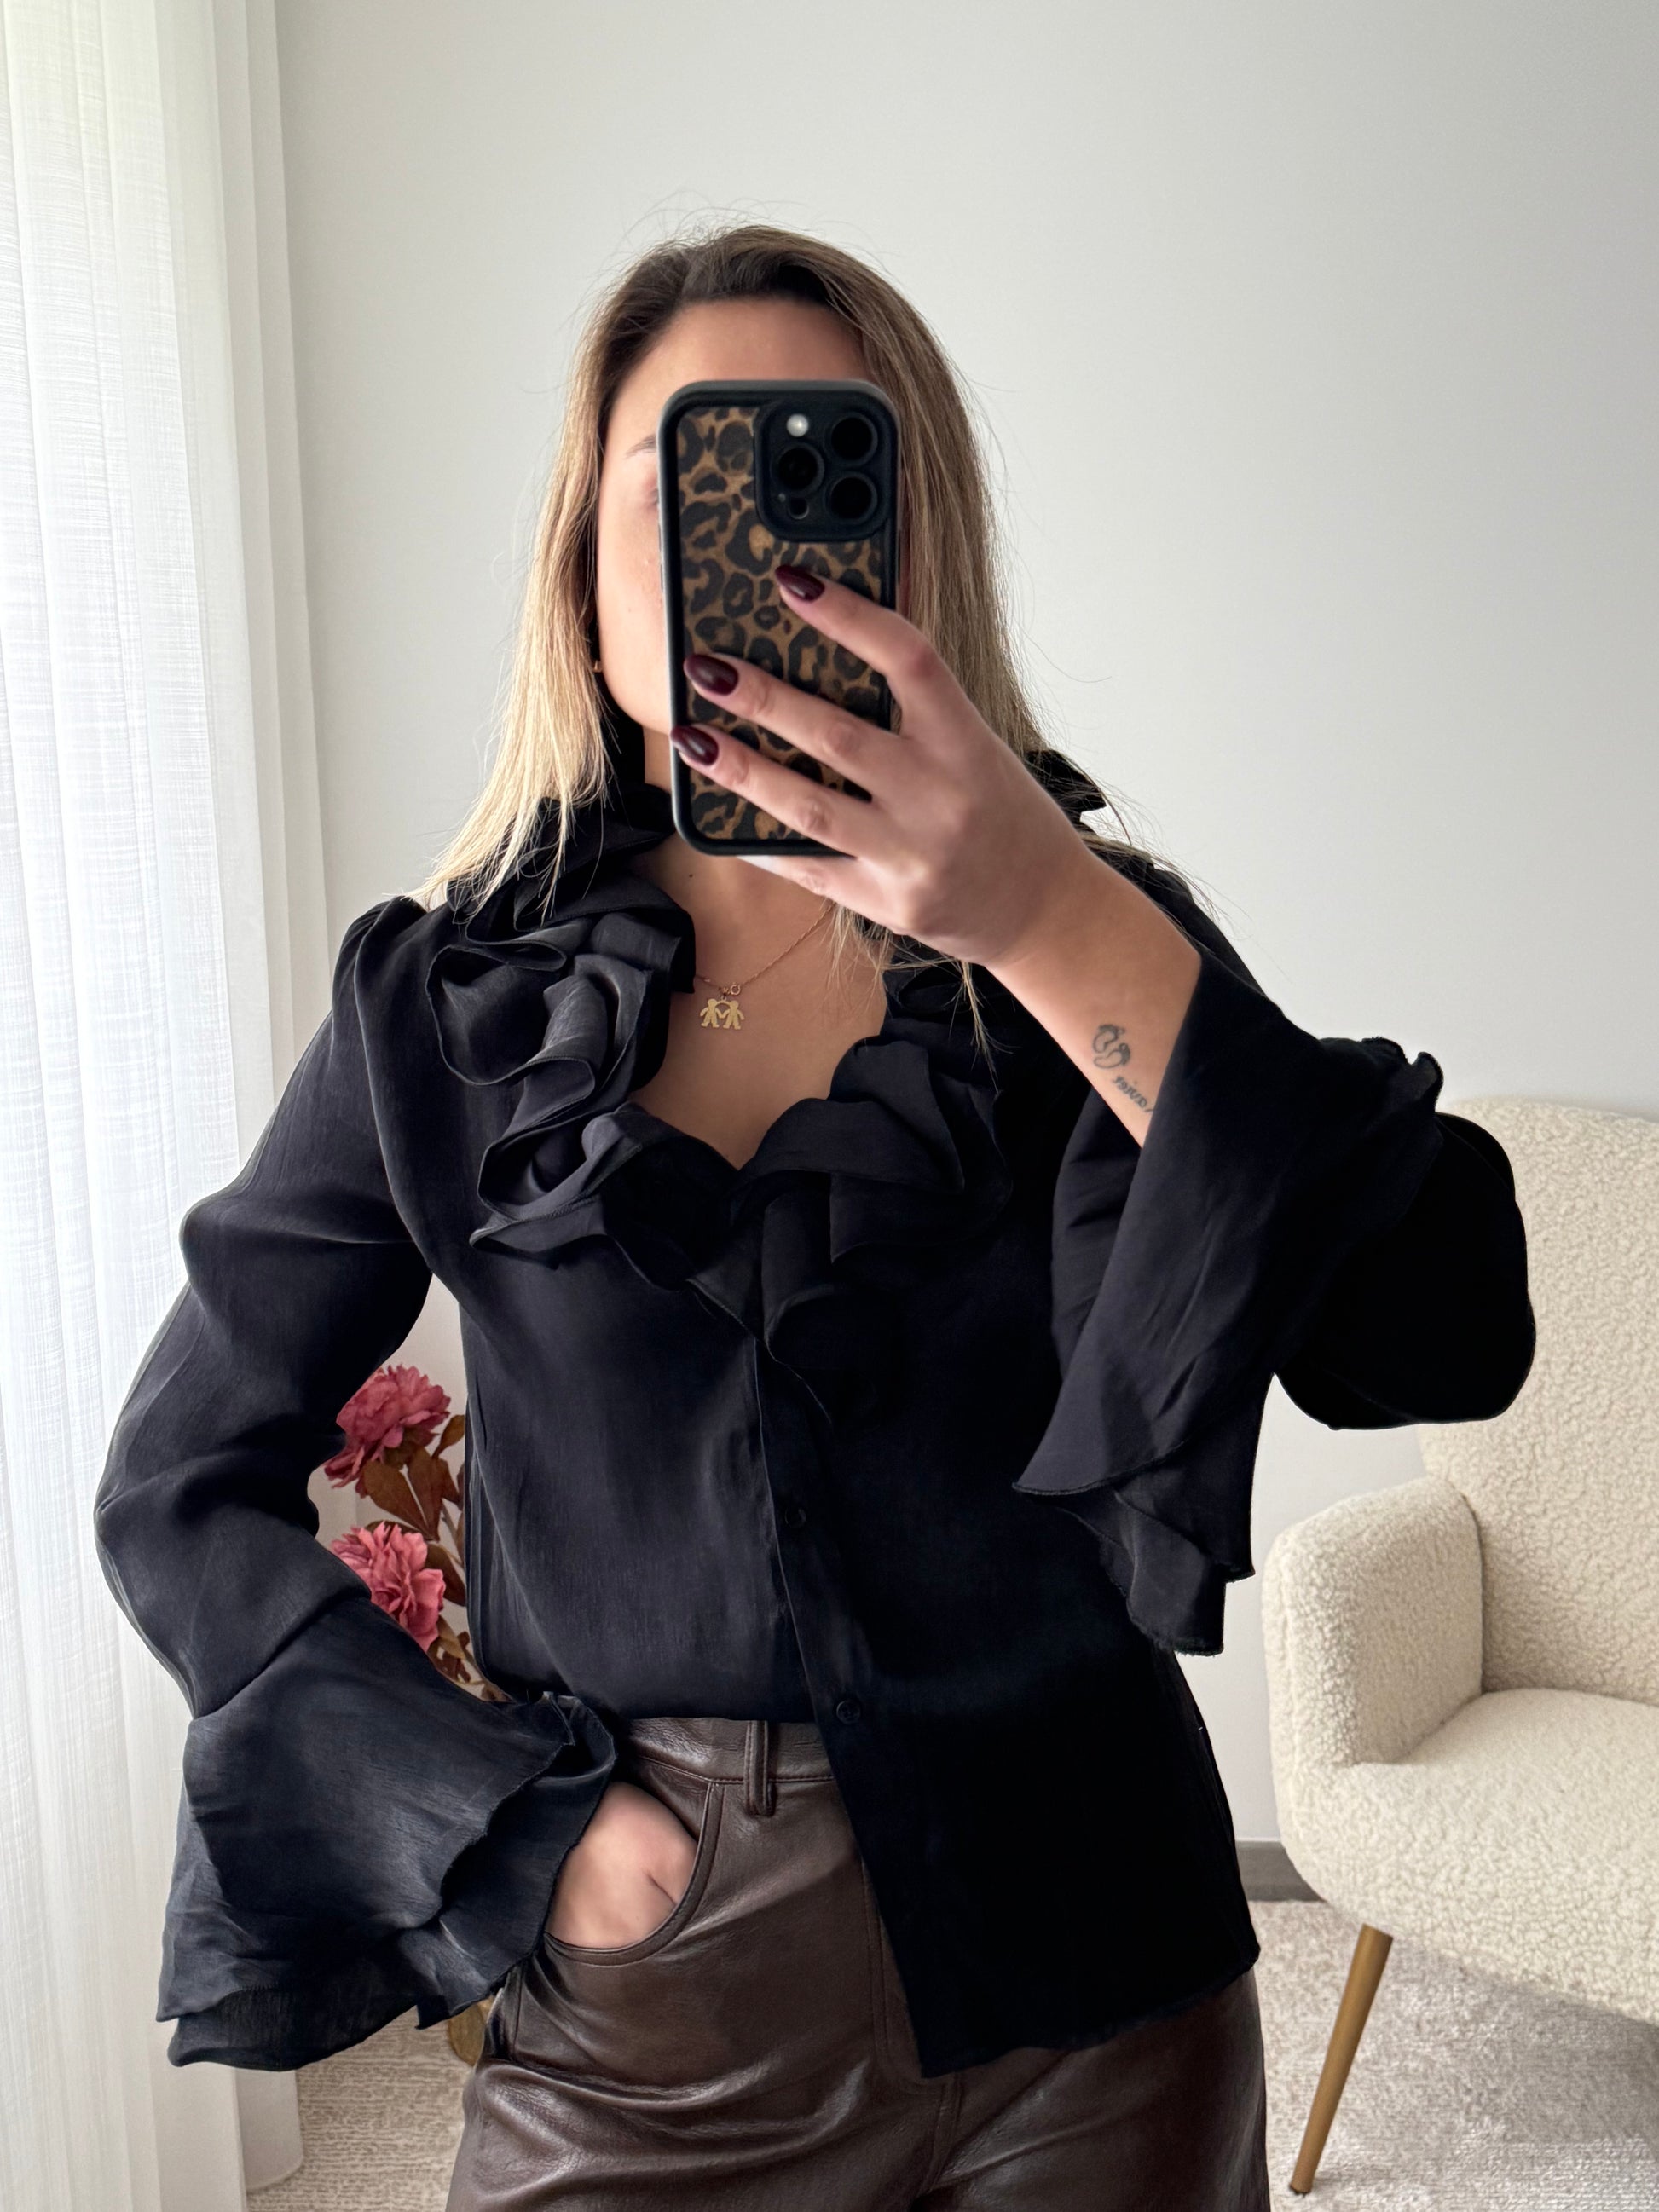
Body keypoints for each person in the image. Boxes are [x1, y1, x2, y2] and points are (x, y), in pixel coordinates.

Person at [94, 224, 1535, 2210]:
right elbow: (177, 1481)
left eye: (818, 486)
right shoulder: (443, 1007)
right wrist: (521, 1834)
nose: (753, 568)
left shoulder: (1083, 942)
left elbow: (1444, 1333)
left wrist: (1052, 920)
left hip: (1100, 1978)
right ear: (583, 578)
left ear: (912, 565)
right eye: (680, 490)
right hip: (648, 2018)